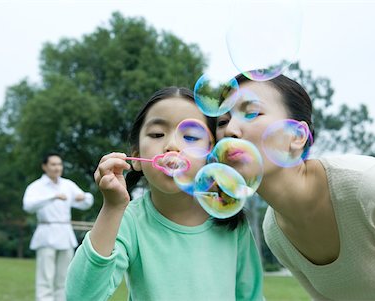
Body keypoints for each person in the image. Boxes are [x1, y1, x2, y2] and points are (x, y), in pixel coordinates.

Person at [216, 73, 375, 300]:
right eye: (222, 122)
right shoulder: (275, 231)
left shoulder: (369, 186)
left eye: (251, 113)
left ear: (297, 136)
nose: (230, 130)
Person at [65, 87, 264, 301]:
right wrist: (112, 207)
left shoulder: (232, 223)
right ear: (137, 155)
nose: (172, 145)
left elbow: (250, 297)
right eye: (157, 134)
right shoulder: (129, 221)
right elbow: (80, 296)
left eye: (190, 136)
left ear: (212, 153)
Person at [23, 152, 94, 301]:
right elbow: (28, 206)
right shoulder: (36, 186)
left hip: (65, 234)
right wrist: (52, 196)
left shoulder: (67, 184)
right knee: (45, 277)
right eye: (53, 164)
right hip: (46, 234)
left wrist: (85, 197)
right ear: (45, 166)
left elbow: (87, 202)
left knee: (65, 277)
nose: (57, 168)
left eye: (59, 164)